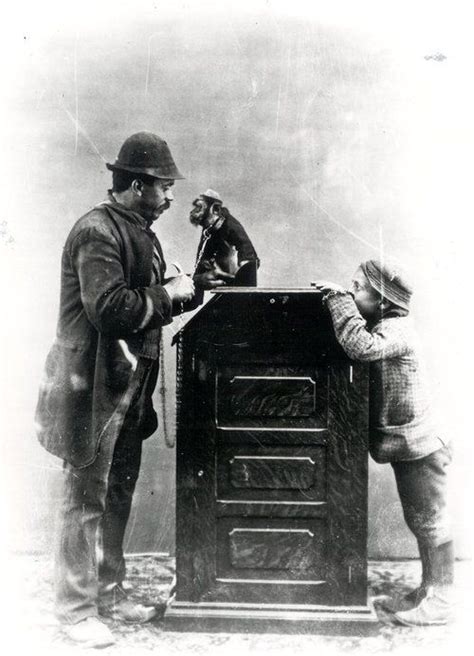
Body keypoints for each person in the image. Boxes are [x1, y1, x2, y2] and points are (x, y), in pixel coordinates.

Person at [35, 132, 198, 648]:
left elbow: (147, 302)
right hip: (92, 390)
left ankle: (108, 593)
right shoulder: (96, 231)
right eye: (163, 186)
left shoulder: (138, 230)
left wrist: (193, 290)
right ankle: (76, 609)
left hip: (126, 387)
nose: (170, 197)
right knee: (84, 498)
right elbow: (109, 309)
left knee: (117, 493)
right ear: (135, 184)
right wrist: (168, 293)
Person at [315, 259, 454, 626]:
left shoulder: (397, 330)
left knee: (431, 522)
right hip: (412, 444)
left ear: (382, 301)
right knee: (420, 521)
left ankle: (442, 599)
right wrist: (347, 298)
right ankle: (429, 590)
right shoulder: (388, 324)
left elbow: (360, 347)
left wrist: (336, 300)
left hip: (423, 445)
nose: (350, 292)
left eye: (357, 288)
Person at [189, 188, 259, 286]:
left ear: (216, 209)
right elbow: (201, 262)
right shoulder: (209, 228)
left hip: (235, 285)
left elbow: (249, 256)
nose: (193, 212)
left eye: (199, 207)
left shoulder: (231, 226)